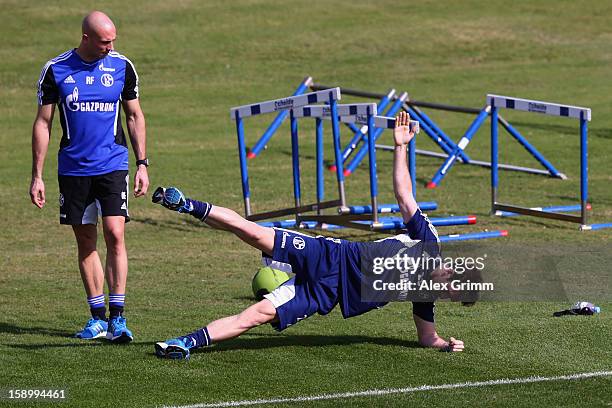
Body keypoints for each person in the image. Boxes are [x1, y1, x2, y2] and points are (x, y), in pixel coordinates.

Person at [153, 112, 464, 359]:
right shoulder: (428, 241)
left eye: (453, 294)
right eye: (453, 284)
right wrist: (400, 146)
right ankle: (186, 204)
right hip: (330, 255)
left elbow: (427, 337)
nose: (447, 288)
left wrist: (445, 345)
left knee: (257, 315)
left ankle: (183, 343)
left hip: (325, 293)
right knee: (252, 232)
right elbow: (404, 194)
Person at [30, 11, 149, 343]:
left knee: (115, 234)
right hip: (73, 170)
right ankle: (97, 318)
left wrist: (142, 163)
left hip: (112, 164)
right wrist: (37, 175)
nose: (110, 47)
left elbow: (135, 115)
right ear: (86, 38)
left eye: (113, 40)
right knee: (85, 242)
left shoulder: (122, 67)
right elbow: (43, 123)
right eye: (104, 41)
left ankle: (119, 318)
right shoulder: (56, 70)